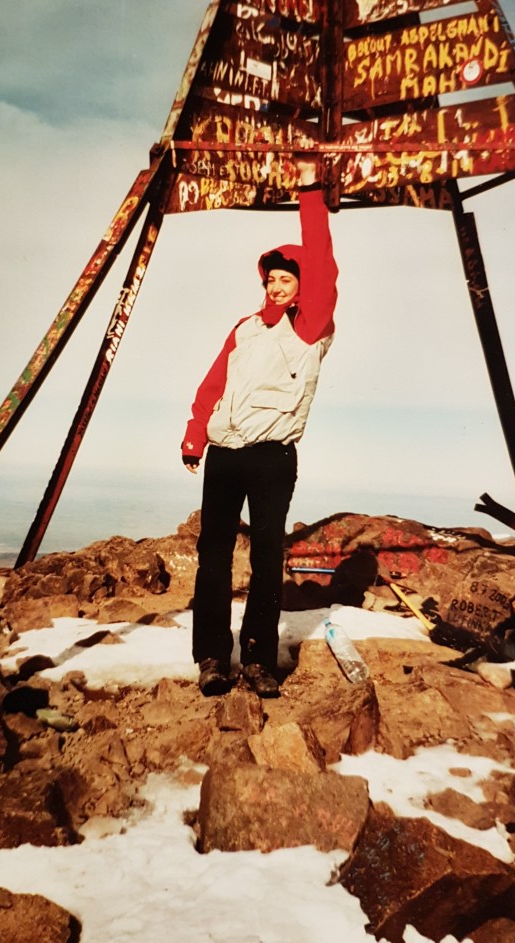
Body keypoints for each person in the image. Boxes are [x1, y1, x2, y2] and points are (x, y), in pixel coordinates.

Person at [182, 155, 338, 698]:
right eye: (270, 279)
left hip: (273, 456)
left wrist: (310, 191)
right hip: (225, 453)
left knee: (267, 557)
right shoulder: (245, 328)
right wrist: (196, 434)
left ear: (302, 285)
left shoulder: (311, 325)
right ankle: (211, 656)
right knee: (213, 555)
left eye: (286, 278)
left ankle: (258, 659)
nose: (275, 287)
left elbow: (321, 261)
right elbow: (213, 382)